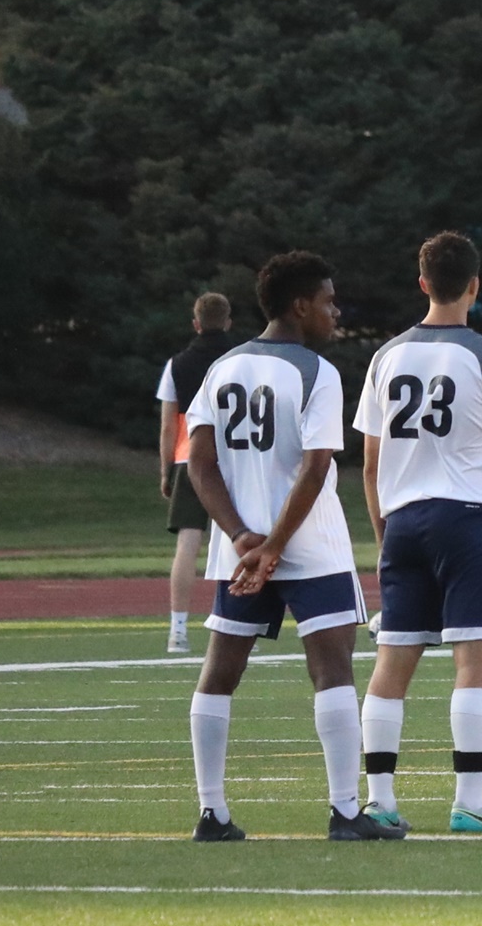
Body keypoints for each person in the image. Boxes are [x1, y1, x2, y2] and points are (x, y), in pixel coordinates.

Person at [182, 251, 396, 842]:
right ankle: (346, 811)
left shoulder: (222, 366)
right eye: (329, 301)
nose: (336, 311)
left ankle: (212, 814)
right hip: (310, 544)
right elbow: (316, 464)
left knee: (219, 674)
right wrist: (274, 544)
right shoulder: (317, 372)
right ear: (301, 307)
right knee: (331, 670)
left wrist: (241, 537)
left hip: (240, 547)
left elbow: (198, 465)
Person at [358, 233, 482, 833]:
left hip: (402, 519)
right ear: (474, 285)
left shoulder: (386, 355)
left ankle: (380, 800)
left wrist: (383, 533)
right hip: (470, 517)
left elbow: (370, 463)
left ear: (422, 283)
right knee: (476, 658)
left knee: (393, 661)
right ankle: (469, 801)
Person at [157, 292, 241, 656]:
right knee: (238, 540)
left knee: (187, 545)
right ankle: (235, 624)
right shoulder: (239, 360)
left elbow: (166, 426)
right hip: (234, 460)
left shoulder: (178, 364)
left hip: (189, 458)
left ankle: (178, 630)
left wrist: (166, 470)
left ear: (196, 323)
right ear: (228, 321)